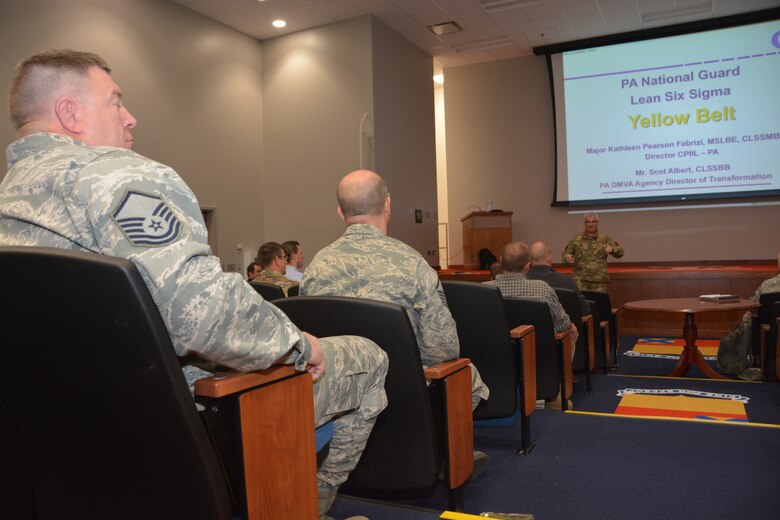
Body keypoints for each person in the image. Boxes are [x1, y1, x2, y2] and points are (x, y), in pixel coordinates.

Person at [0, 49, 386, 520]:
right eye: (116, 102)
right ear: (70, 113)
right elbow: (198, 314)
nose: (130, 118)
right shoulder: (116, 175)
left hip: (61, 438)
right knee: (367, 356)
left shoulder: (9, 201)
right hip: (180, 420)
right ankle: (307, 504)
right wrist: (299, 345)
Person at [300, 170, 490, 473]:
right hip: (406, 388)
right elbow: (444, 350)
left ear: (340, 212)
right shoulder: (411, 263)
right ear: (387, 204)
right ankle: (445, 457)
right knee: (469, 377)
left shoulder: (315, 267)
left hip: (340, 392)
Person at [484, 241, 578, 410]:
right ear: (528, 266)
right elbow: (563, 324)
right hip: (538, 356)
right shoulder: (542, 289)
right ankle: (555, 393)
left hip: (498, 359)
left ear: (500, 261)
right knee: (571, 331)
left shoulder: (484, 291)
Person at [562, 212, 624, 292]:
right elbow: (565, 255)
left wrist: (612, 250)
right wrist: (568, 257)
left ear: (597, 223)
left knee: (599, 304)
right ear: (585, 223)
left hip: (599, 280)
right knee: (581, 304)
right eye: (588, 222)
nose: (590, 224)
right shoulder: (576, 239)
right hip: (580, 279)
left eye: (593, 221)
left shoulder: (605, 238)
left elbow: (621, 252)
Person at [527, 241, 591, 316]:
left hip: (530, 327)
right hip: (565, 326)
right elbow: (585, 310)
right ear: (550, 257)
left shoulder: (524, 282)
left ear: (530, 260)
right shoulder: (566, 281)